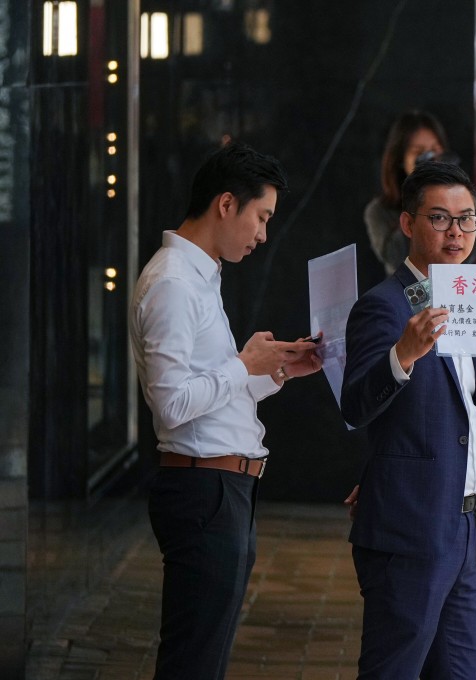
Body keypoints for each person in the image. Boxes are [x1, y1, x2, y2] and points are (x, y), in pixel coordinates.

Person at [129, 143, 322, 680]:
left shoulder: (200, 275)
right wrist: (244, 364)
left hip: (221, 488)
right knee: (193, 663)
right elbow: (171, 407)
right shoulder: (172, 283)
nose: (263, 234)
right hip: (203, 491)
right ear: (225, 204)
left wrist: (276, 370)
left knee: (203, 660)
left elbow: (208, 394)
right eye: (261, 217)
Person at [340, 161, 476, 679]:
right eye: (440, 218)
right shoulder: (382, 308)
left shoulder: (467, 300)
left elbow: (463, 411)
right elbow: (355, 405)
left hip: (464, 524)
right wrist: (402, 355)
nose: (456, 232)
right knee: (393, 669)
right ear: (408, 224)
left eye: (467, 219)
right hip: (411, 527)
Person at [364, 110, 450, 275]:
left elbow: (474, 247)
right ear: (401, 160)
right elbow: (396, 257)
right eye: (420, 154)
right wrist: (422, 195)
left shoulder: (460, 200)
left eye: (434, 151)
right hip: (407, 298)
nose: (430, 160)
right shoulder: (379, 211)